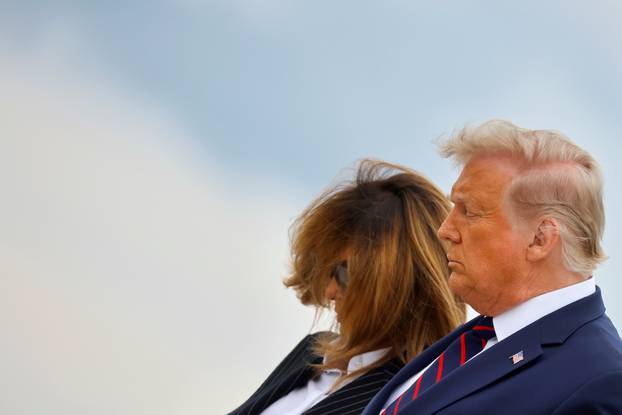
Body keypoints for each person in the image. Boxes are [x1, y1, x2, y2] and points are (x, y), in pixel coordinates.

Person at [362, 120, 622, 415]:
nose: (445, 230)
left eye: (469, 211)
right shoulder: (481, 335)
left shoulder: (600, 381)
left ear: (540, 238)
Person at [229, 159, 466, 415]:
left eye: (344, 273)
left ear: (398, 283)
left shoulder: (413, 398)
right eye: (328, 271)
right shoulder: (311, 353)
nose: (330, 291)